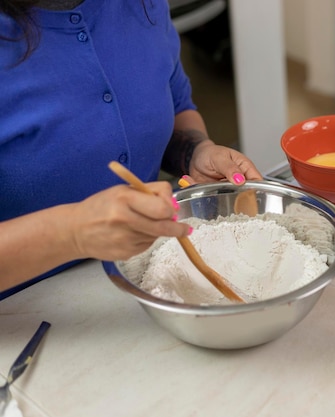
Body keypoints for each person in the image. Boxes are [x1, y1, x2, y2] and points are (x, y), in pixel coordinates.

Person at [0, 0, 263, 298]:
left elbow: (175, 107)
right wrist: (71, 233)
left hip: (140, 289)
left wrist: (196, 152)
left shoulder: (140, 6)